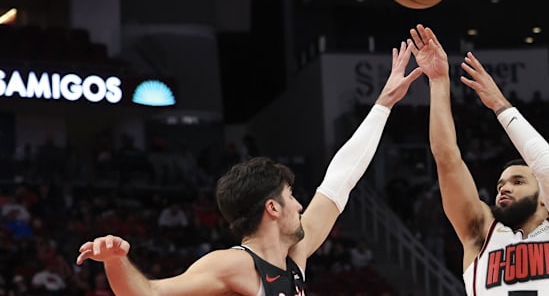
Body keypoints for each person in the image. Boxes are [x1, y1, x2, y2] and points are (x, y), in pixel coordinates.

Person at [75, 41, 423, 296]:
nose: (301, 205)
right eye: (291, 197)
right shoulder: (234, 265)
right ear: (272, 208)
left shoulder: (293, 256)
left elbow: (340, 180)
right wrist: (115, 260)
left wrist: (384, 104)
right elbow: (148, 294)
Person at [408, 24, 549, 295]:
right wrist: (437, 82)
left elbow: (547, 167)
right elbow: (446, 158)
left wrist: (499, 104)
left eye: (518, 181)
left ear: (544, 197)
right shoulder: (481, 232)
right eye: (500, 185)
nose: (504, 188)